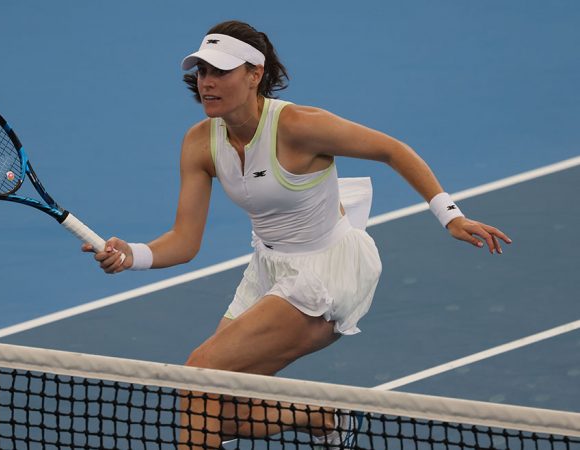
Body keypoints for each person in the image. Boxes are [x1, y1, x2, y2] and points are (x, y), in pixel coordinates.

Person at [83, 20, 512, 449]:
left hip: (326, 272)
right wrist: (132, 254)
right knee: (221, 414)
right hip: (268, 270)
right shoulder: (199, 143)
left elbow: (392, 149)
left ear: (255, 73)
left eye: (220, 72)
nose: (207, 83)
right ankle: (322, 417)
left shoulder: (299, 126)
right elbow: (185, 240)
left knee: (199, 374)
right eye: (202, 72)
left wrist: (450, 215)